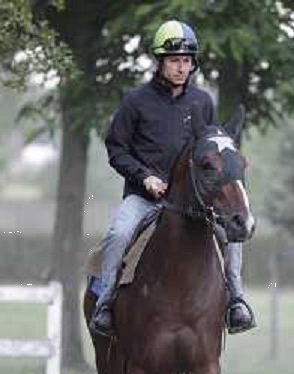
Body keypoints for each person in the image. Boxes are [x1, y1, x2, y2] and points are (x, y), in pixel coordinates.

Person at [89, 20, 256, 337]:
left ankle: (236, 301)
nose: (181, 68)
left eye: (186, 61)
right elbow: (116, 147)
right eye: (174, 60)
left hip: (194, 200)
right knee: (119, 234)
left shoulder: (203, 102)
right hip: (144, 197)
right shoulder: (135, 101)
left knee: (233, 234)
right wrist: (144, 177)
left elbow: (212, 148)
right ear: (160, 62)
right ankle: (106, 303)